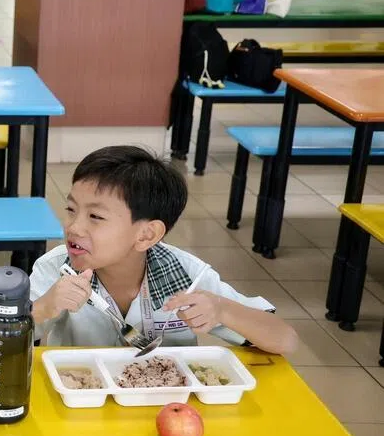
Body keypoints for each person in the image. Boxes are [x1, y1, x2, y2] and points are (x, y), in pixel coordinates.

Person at [30, 146, 298, 354]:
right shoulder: (54, 268)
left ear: (147, 234)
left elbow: (285, 340)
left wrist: (222, 309)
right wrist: (42, 308)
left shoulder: (186, 275)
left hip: (167, 403)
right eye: (71, 210)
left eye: (95, 217)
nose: (74, 227)